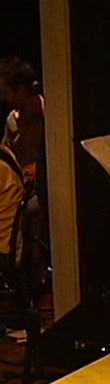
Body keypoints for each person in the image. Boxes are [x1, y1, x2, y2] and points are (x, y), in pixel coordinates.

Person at [0, 57, 48, 295]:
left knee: (31, 211)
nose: (4, 97)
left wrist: (39, 169)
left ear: (21, 89)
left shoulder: (49, 115)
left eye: (7, 91)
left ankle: (32, 277)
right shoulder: (12, 121)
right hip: (18, 186)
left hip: (42, 187)